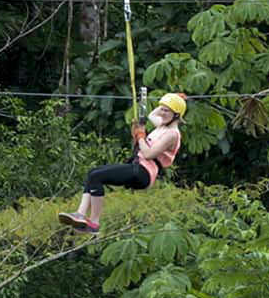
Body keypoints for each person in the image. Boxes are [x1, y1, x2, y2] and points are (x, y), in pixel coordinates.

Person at [59, 92, 185, 234]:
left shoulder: (172, 135)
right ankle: (80, 214)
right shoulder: (162, 126)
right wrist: (171, 100)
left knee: (96, 177)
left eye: (166, 110)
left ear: (176, 115)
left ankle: (94, 223)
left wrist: (141, 135)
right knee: (92, 173)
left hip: (144, 173)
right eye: (162, 108)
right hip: (137, 166)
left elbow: (149, 154)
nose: (162, 112)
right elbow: (152, 115)